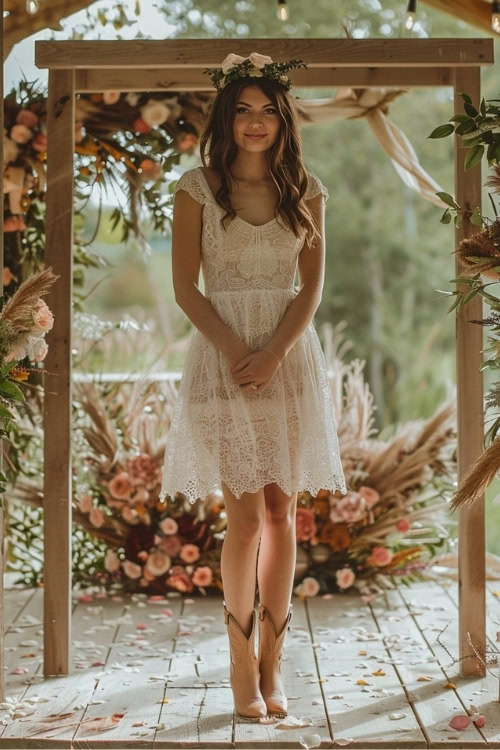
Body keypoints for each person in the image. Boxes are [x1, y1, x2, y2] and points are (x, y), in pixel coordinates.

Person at [159, 52, 347, 721]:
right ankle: (241, 669)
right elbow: (186, 288)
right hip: (222, 361)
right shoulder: (196, 189)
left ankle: (274, 667)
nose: (256, 121)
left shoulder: (309, 191)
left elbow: (311, 288)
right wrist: (241, 351)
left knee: (281, 515)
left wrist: (274, 353)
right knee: (242, 521)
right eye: (243, 108)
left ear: (284, 119)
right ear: (225, 116)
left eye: (269, 110)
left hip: (288, 363)